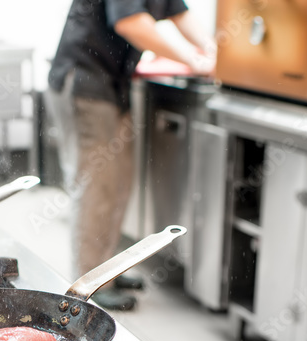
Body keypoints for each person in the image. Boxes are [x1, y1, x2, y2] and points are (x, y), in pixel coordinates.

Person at [47, 0, 216, 310]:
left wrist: (212, 49)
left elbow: (178, 12)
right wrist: (193, 59)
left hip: (111, 86)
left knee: (119, 182)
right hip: (86, 83)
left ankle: (106, 269)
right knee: (98, 188)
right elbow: (130, 22)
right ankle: (90, 284)